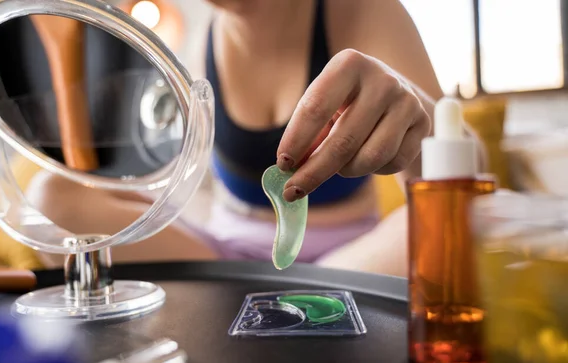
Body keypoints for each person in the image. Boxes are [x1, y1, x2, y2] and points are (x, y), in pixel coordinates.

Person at [28, 0, 482, 276]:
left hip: (353, 257)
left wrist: (414, 111)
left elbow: (470, 171)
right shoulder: (204, 38)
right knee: (51, 195)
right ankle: (267, 293)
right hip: (224, 256)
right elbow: (187, 183)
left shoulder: (361, 9)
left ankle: (286, 294)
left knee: (457, 221)